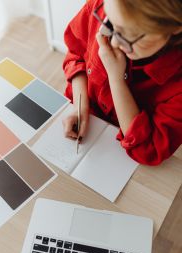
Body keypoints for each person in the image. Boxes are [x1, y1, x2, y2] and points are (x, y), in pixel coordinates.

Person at [62, 0, 182, 165]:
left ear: (175, 25)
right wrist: (80, 106)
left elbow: (149, 149)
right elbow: (76, 53)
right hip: (87, 127)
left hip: (124, 160)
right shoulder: (104, 5)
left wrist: (116, 79)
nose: (114, 42)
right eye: (110, 23)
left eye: (129, 35)